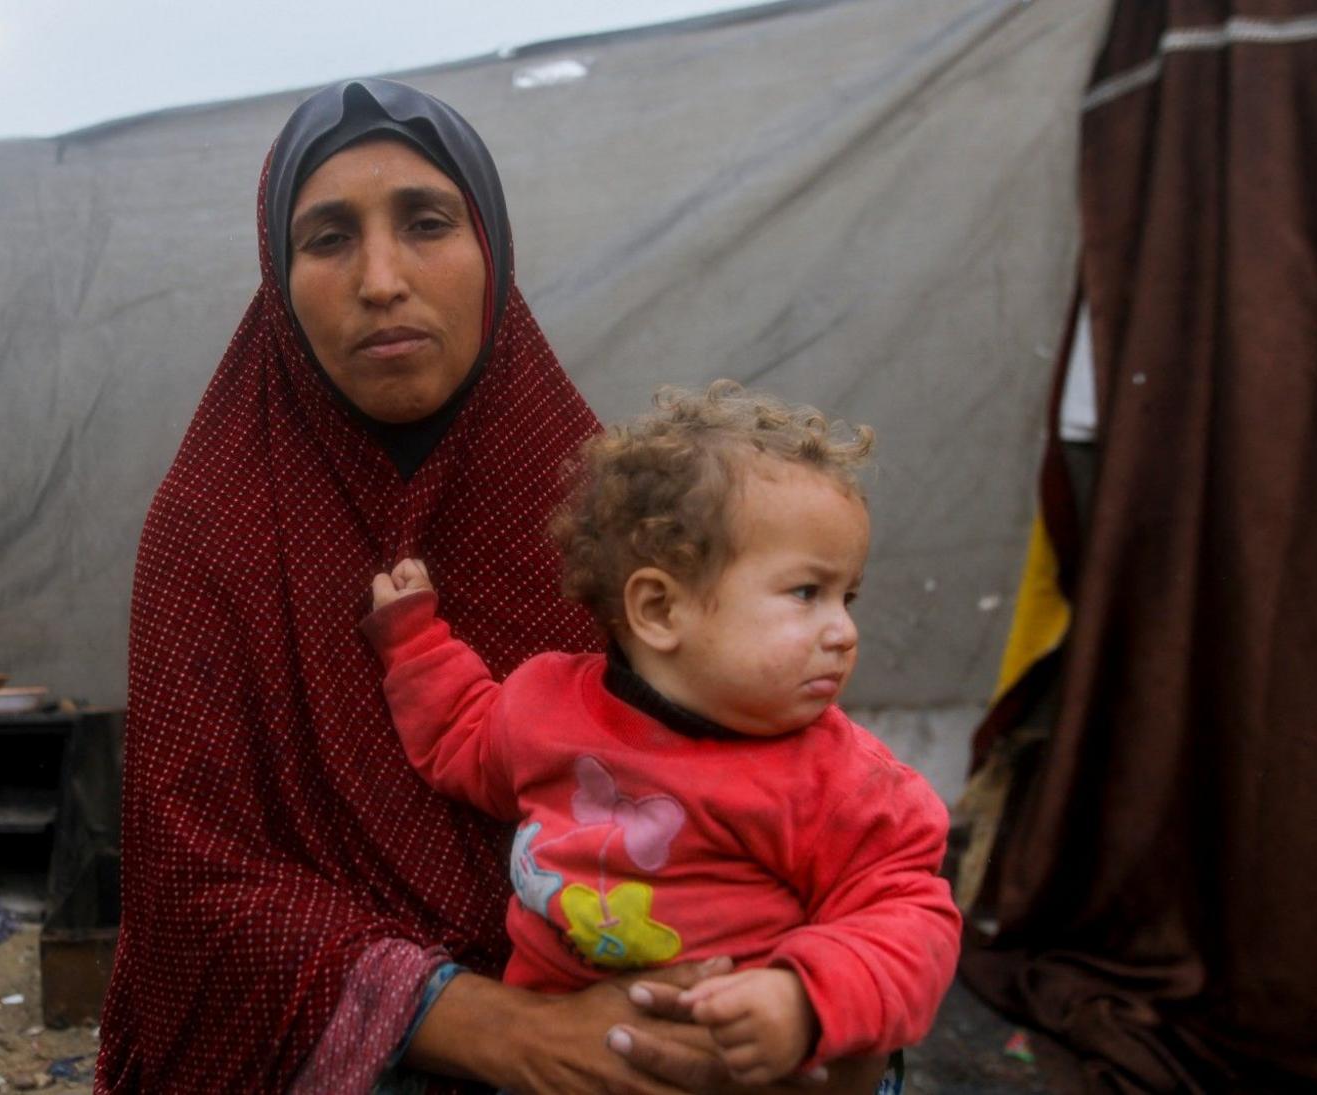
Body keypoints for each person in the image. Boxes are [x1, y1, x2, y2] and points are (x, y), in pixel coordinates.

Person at [96, 77, 889, 1094]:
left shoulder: (602, 516)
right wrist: (491, 1025)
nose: (382, 277)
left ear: (493, 254)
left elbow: (765, 780)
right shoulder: (215, 528)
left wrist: (805, 1000)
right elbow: (193, 877)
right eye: (328, 238)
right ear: (277, 277)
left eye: (427, 222)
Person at [363, 384, 962, 1088]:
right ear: (659, 607)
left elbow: (911, 917)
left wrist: (805, 1001)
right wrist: (415, 644)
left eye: (847, 596)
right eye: (807, 592)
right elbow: (462, 736)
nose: (844, 630)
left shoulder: (845, 780)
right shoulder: (546, 704)